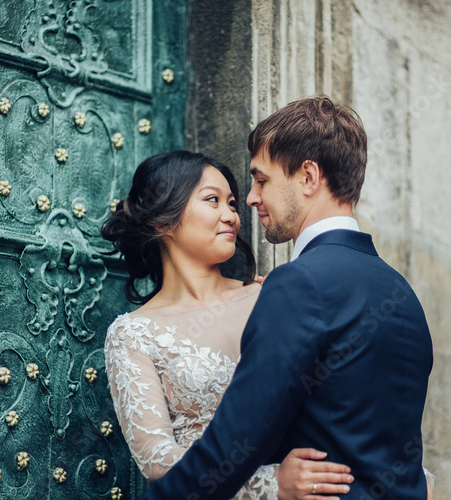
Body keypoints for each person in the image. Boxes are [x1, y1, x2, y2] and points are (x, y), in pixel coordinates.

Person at [135, 96, 434, 500]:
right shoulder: (402, 293)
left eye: (262, 180)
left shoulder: (298, 284)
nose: (252, 199)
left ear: (309, 178)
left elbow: (235, 443)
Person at [102, 150, 354, 499]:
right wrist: (271, 483)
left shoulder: (273, 296)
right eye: (213, 200)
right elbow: (156, 459)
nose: (232, 216)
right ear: (162, 220)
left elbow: (342, 395)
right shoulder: (132, 334)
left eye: (233, 204)